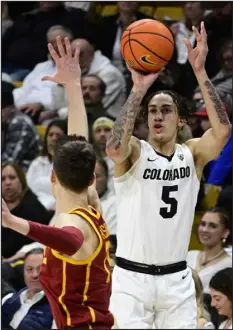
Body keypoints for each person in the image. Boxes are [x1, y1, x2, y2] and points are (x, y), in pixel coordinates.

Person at [106, 22, 231, 329]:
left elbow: (223, 130)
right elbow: (113, 148)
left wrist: (200, 72)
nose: (158, 116)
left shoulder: (192, 153)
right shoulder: (135, 151)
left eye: (166, 110)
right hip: (132, 279)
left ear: (180, 120)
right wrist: (138, 90)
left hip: (176, 279)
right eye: (152, 111)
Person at [2, 36, 114, 329]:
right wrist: (72, 86)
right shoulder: (90, 201)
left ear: (53, 177)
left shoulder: (72, 224)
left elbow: (69, 240)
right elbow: (79, 143)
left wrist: (14, 222)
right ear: (91, 177)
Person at [2, 162, 52, 259]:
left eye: (12, 177)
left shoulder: (32, 208)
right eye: (2, 179)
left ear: (21, 180)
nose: (7, 183)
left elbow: (14, 248)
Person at [2, 248, 53, 330]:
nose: (35, 275)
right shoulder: (7, 300)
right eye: (29, 269)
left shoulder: (58, 309)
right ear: (23, 272)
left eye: (40, 269)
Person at [187, 208, 232, 294]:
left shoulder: (229, 265)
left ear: (225, 232)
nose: (204, 230)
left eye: (212, 226)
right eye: (203, 224)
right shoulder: (189, 255)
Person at [26, 119, 67, 212]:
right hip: (35, 210)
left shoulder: (73, 164)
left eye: (58, 135)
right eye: (50, 135)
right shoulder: (37, 163)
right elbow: (29, 190)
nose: (54, 138)